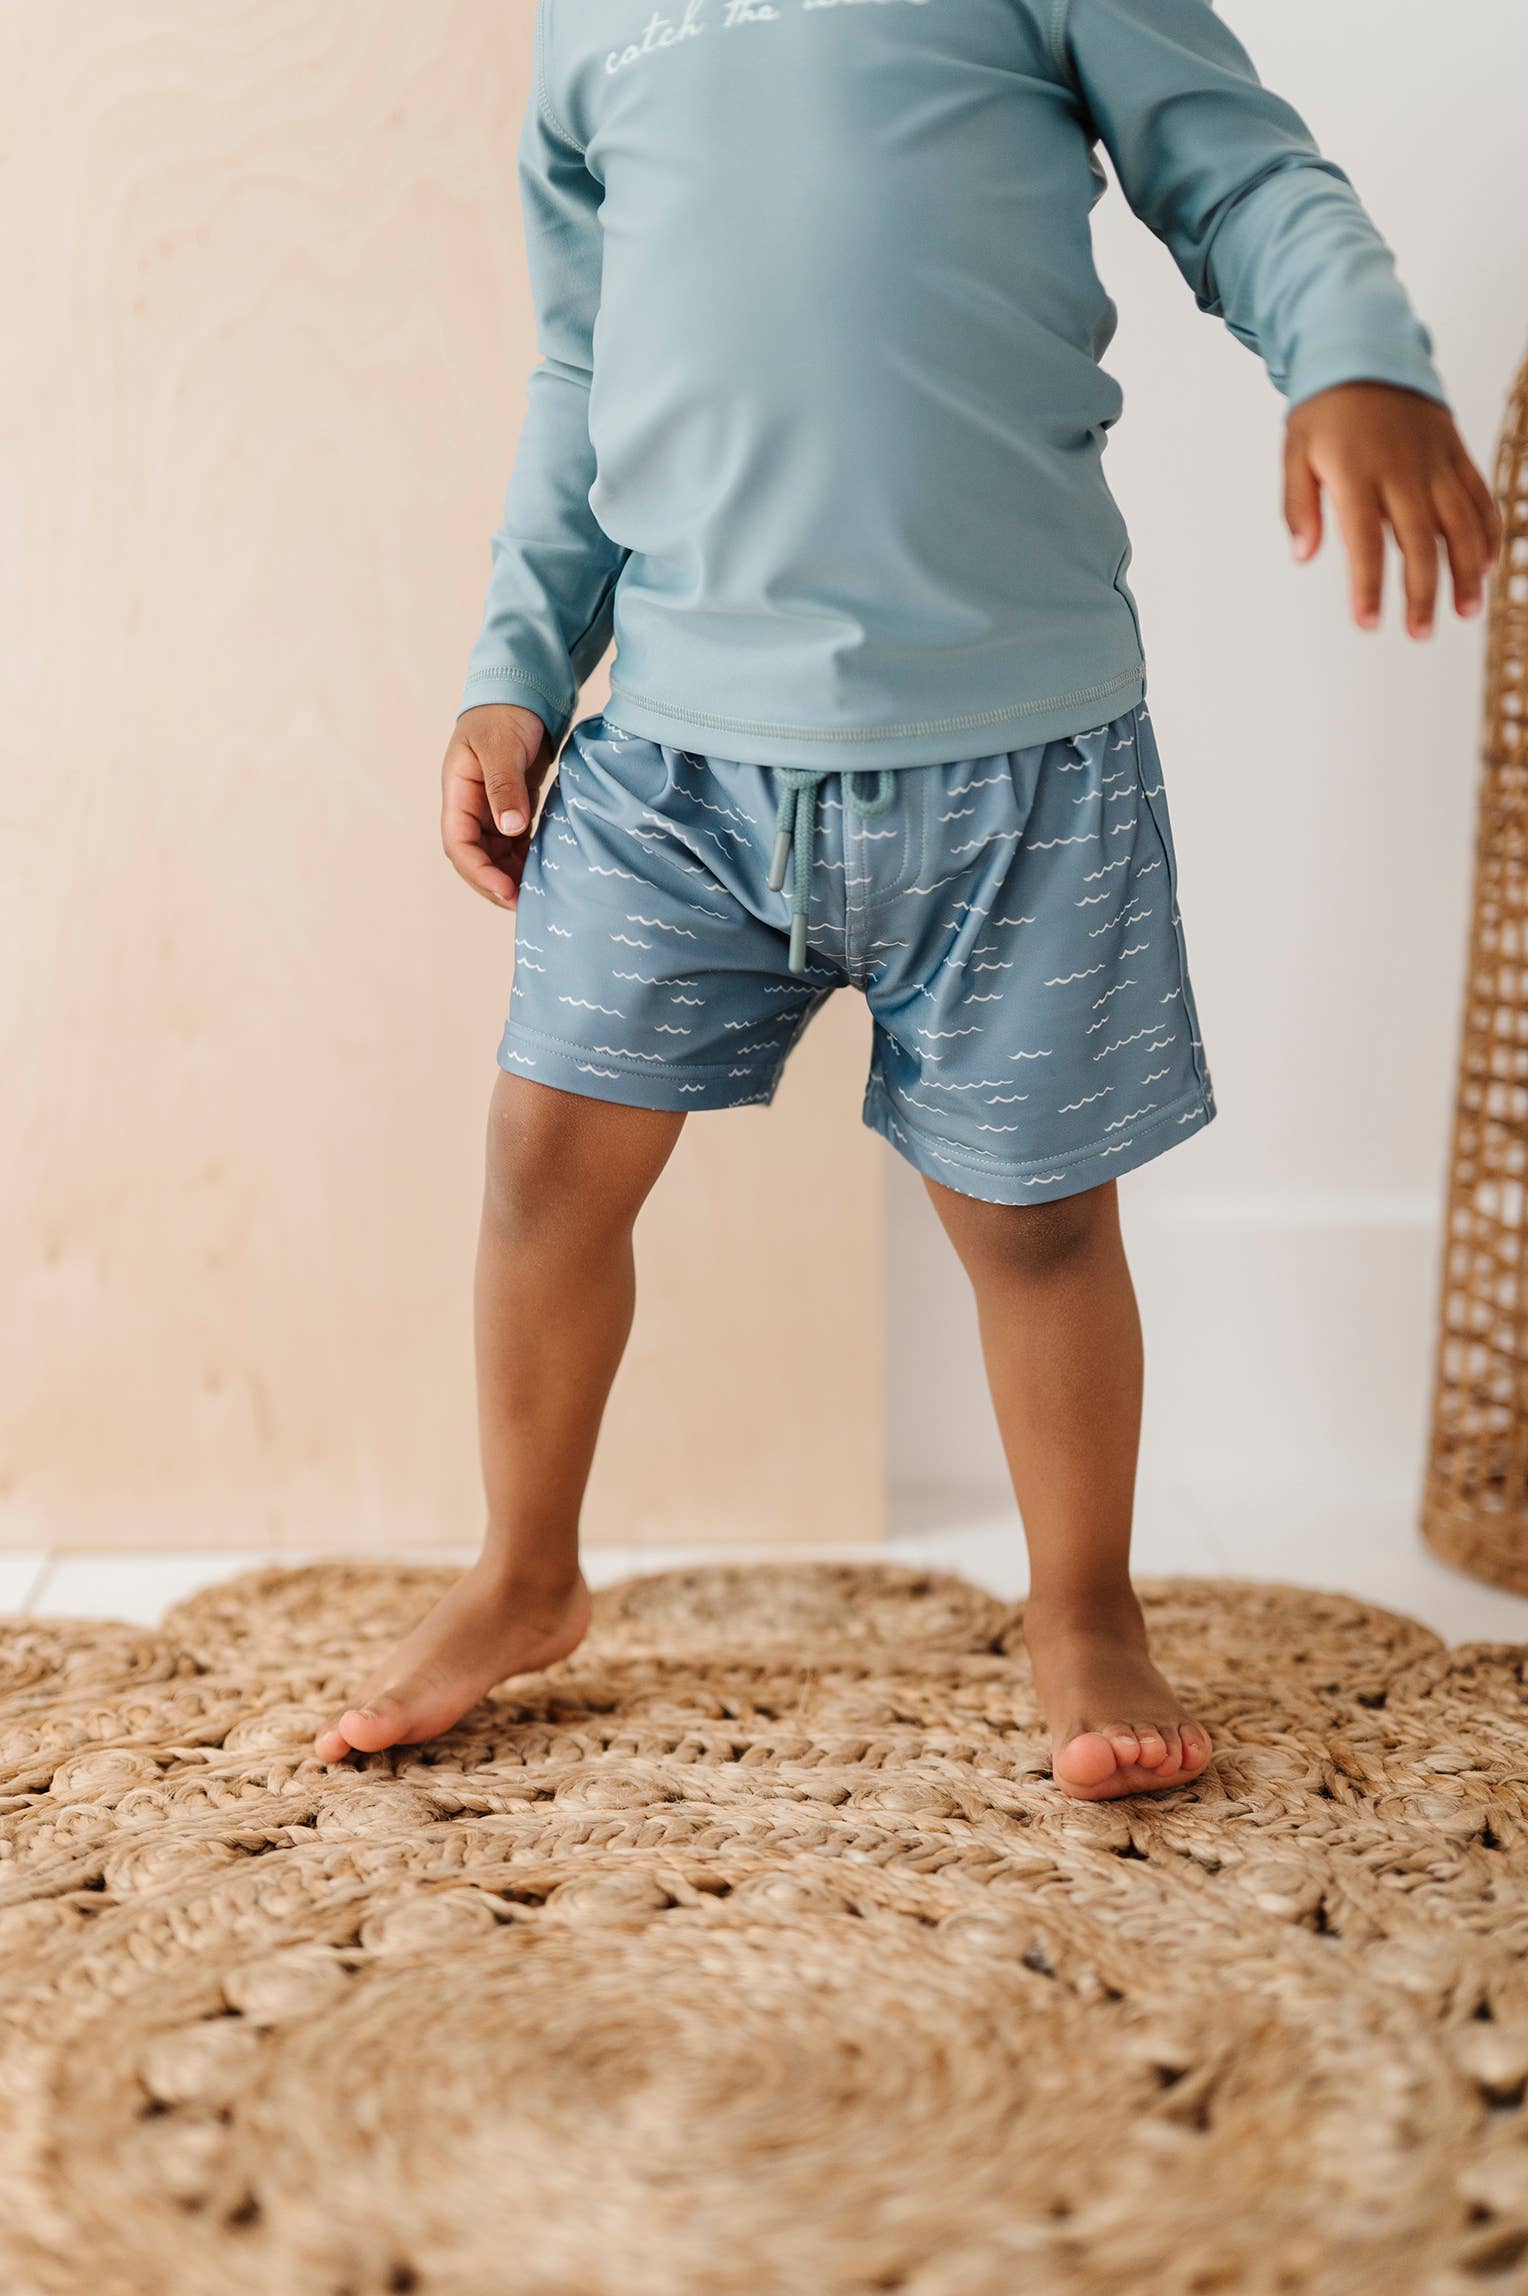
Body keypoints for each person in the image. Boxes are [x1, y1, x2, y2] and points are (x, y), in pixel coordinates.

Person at [315, 0, 1500, 1796]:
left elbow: (1240, 171)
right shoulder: (590, 34)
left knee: (1031, 1219)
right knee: (546, 1158)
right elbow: (582, 367)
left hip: (1016, 762)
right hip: (676, 763)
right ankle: (524, 1568)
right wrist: (519, 664)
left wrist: (1358, 358)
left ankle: (1084, 1600)